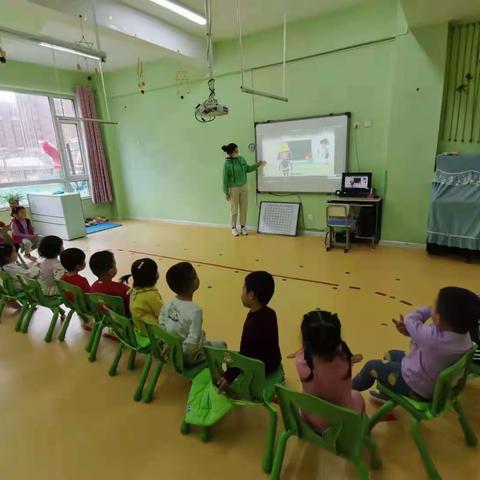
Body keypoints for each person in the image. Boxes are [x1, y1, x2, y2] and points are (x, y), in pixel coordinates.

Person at [353, 287, 480, 402]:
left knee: (371, 366)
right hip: (435, 384)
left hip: (417, 387)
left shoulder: (433, 339)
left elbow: (410, 319)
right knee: (390, 355)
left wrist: (428, 310)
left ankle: (346, 392)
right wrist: (412, 331)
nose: (431, 307)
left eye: (434, 305)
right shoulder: (464, 337)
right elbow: (427, 341)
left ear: (439, 318)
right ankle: (389, 393)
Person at [295, 310, 365, 432]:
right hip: (341, 423)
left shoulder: (301, 362)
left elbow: (305, 351)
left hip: (310, 419)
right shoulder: (344, 360)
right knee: (357, 395)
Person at [219, 271, 282, 390]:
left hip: (260, 370)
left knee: (230, 359)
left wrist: (229, 375)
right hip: (274, 362)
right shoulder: (271, 313)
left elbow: (245, 355)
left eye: (243, 289)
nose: (241, 294)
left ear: (251, 295)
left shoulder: (251, 325)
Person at [159, 262, 225, 364]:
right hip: (187, 358)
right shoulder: (195, 311)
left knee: (202, 335)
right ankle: (220, 378)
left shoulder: (167, 304)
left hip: (170, 352)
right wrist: (180, 352)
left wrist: (170, 346)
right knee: (222, 345)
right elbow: (192, 343)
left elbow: (162, 326)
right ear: (195, 282)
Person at [222, 143, 265, 237]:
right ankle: (233, 228)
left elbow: (248, 169)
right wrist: (226, 192)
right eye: (236, 151)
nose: (237, 152)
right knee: (234, 209)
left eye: (237, 150)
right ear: (230, 152)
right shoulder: (226, 164)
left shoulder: (241, 159)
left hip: (244, 187)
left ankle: (243, 227)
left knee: (244, 207)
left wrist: (257, 165)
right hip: (233, 189)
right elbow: (225, 180)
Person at [122, 258, 163, 332]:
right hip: (151, 332)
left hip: (140, 327)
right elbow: (163, 315)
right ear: (154, 276)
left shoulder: (134, 289)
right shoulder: (150, 296)